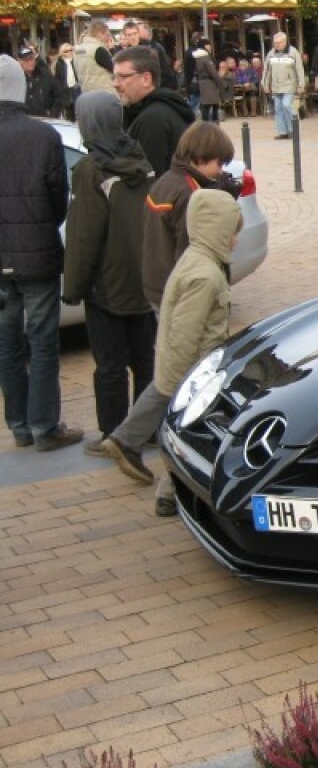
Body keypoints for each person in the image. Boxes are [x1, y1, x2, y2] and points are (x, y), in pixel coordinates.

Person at [102, 188, 240, 516]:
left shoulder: (196, 260)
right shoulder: (205, 276)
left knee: (191, 435)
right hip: (196, 372)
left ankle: (168, 492)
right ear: (216, 230)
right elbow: (186, 333)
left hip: (194, 369)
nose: (236, 240)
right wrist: (182, 385)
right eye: (233, 232)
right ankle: (171, 492)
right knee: (193, 435)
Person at [62, 91, 156, 454]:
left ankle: (114, 434)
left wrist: (74, 286)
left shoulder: (90, 169)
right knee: (145, 359)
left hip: (106, 283)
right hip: (141, 275)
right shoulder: (140, 158)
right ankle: (146, 428)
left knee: (110, 364)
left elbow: (84, 234)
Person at [0, 54, 80, 452]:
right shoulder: (43, 136)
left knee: (7, 342)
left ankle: (18, 423)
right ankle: (44, 425)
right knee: (42, 339)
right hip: (37, 252)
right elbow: (58, 198)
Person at [141, 122, 237, 309]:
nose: (220, 171)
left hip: (159, 283)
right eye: (219, 163)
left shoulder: (167, 181)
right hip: (182, 293)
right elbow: (189, 249)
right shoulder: (191, 194)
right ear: (201, 158)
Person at [114, 45, 196, 177]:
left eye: (122, 77)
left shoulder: (152, 120)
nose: (115, 84)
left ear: (146, 79)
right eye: (115, 77)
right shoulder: (159, 109)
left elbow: (150, 178)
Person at [262, 31, 306, 140]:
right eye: (275, 43)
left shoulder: (293, 52)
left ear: (284, 42)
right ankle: (283, 131)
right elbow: (267, 70)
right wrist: (265, 84)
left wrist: (301, 85)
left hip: (289, 85)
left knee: (286, 105)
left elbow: (299, 70)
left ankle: (293, 129)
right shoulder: (271, 53)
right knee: (278, 108)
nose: (276, 45)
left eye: (278, 43)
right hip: (276, 86)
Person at [74, 19, 117, 94]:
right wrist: (112, 50)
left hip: (86, 93)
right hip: (105, 93)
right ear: (100, 34)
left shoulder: (77, 50)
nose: (109, 38)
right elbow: (115, 69)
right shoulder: (98, 49)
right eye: (107, 35)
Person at [137, 22, 178, 91]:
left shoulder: (154, 48)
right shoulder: (152, 47)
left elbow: (162, 70)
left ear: (147, 32)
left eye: (137, 32)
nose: (136, 35)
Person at [16, 44, 54, 118]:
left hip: (46, 119)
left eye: (31, 59)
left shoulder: (45, 75)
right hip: (25, 120)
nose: (30, 62)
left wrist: (52, 114)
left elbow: (58, 97)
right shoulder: (16, 78)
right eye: (26, 60)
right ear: (19, 61)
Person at [192, 41, 223, 122]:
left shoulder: (196, 58)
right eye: (209, 46)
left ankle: (205, 123)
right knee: (214, 105)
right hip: (209, 83)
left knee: (205, 105)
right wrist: (220, 82)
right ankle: (214, 125)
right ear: (205, 46)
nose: (210, 48)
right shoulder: (206, 58)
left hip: (201, 83)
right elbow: (212, 71)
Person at [50, 43, 80, 120]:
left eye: (71, 50)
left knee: (78, 108)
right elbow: (57, 78)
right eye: (66, 51)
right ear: (62, 53)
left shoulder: (76, 60)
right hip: (65, 89)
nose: (69, 52)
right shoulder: (59, 63)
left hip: (76, 87)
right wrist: (60, 89)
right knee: (69, 110)